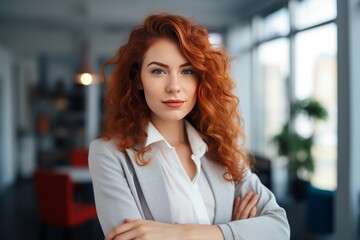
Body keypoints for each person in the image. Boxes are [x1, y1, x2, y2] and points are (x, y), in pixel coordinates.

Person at [89, 13, 290, 240]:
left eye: (187, 71)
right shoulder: (109, 154)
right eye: (158, 71)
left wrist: (182, 233)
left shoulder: (222, 148)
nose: (174, 86)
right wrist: (237, 231)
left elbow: (279, 228)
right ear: (138, 79)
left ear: (200, 79)